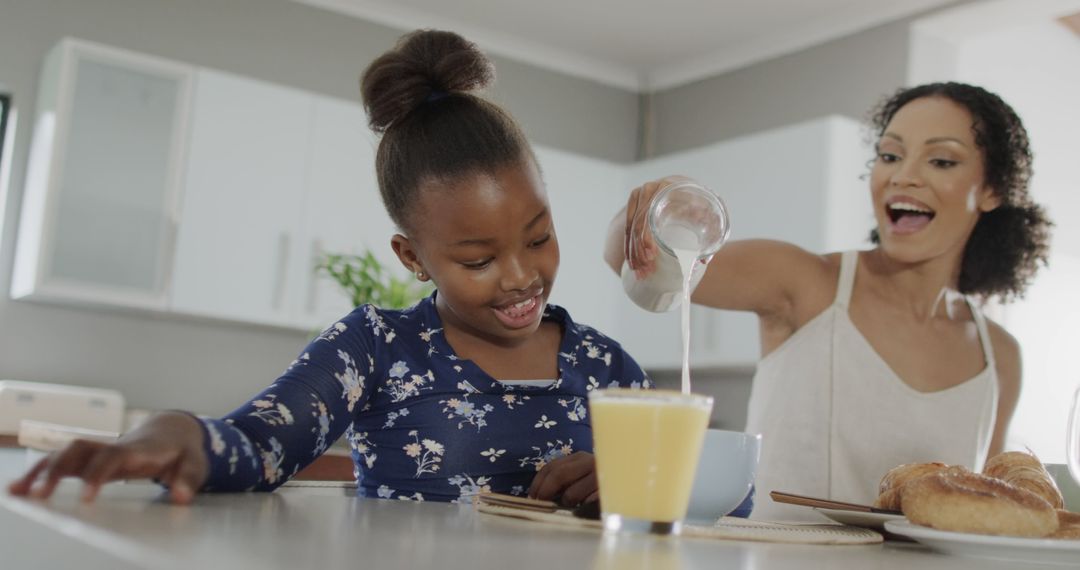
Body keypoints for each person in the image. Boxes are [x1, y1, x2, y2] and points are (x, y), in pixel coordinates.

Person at [8, 29, 649, 506]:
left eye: (538, 239)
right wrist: (167, 432)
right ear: (413, 258)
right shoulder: (375, 347)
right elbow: (259, 446)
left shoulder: (607, 368)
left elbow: (716, 501)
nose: (519, 276)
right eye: (478, 259)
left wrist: (634, 486)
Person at [605, 82, 1051, 521]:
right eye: (890, 155)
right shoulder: (805, 282)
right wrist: (665, 202)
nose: (903, 176)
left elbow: (984, 515)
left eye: (941, 160)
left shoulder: (1000, 357)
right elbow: (636, 265)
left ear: (992, 189)